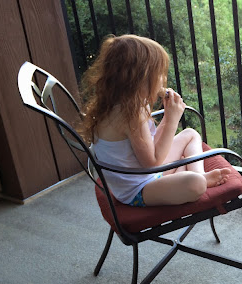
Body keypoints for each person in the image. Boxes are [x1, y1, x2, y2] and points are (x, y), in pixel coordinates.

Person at [79, 34, 230, 207]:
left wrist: (167, 117)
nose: (163, 80)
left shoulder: (119, 102)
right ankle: (196, 177)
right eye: (159, 74)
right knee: (195, 184)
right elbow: (152, 163)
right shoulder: (130, 114)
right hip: (137, 189)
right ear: (140, 78)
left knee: (190, 134)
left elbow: (149, 147)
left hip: (142, 171)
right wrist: (172, 119)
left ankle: (198, 174)